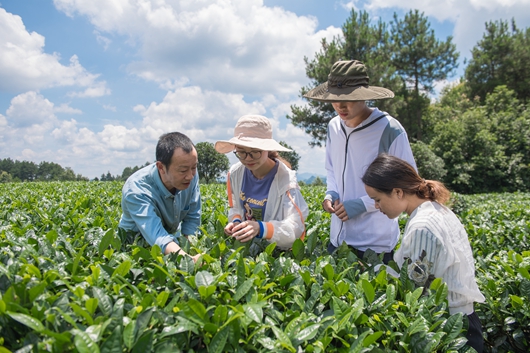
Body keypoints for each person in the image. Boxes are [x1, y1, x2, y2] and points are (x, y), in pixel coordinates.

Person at [362, 154, 485, 352]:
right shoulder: (436, 209)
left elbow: (416, 288)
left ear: (398, 192)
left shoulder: (423, 225)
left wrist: (377, 272)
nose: (377, 206)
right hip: (462, 321)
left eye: (377, 199)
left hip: (449, 328)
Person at [303, 59, 416, 263]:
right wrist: (331, 192)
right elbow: (331, 169)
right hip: (337, 239)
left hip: (374, 244)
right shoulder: (333, 127)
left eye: (348, 98)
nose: (339, 105)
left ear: (364, 96)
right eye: (334, 99)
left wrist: (363, 205)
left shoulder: (389, 129)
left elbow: (406, 186)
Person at [215, 115, 309, 255]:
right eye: (241, 152)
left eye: (255, 152)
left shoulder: (286, 180)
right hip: (246, 250)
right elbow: (235, 206)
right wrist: (236, 222)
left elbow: (295, 228)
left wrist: (260, 228)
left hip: (277, 254)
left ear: (267, 149)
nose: (248, 159)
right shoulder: (235, 173)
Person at [119, 132, 201, 262]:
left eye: (194, 167)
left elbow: (192, 218)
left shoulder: (190, 176)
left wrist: (190, 251)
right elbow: (157, 236)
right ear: (161, 167)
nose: (190, 175)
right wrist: (188, 260)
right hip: (136, 248)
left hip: (171, 244)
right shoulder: (136, 189)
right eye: (183, 170)